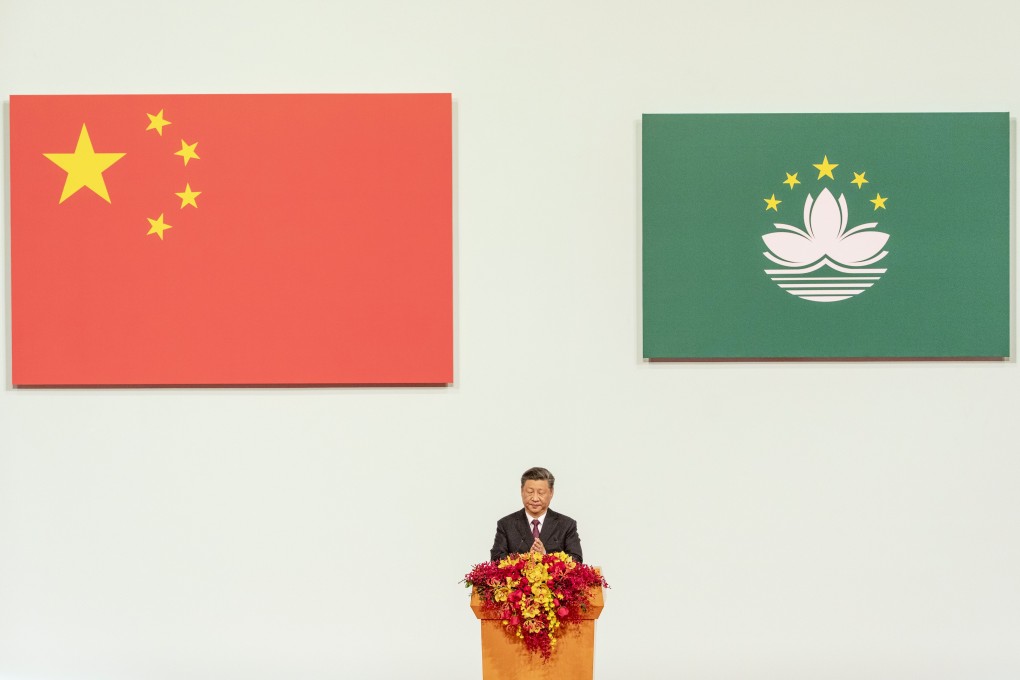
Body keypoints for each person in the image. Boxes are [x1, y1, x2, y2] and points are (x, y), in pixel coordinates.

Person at [489, 467, 583, 563]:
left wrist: (546, 557)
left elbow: (576, 560)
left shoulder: (566, 525)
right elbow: (496, 560)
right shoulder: (506, 524)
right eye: (530, 492)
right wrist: (526, 560)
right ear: (522, 491)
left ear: (551, 493)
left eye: (541, 493)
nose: (535, 498)